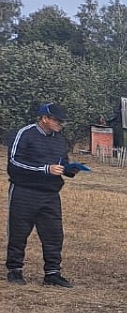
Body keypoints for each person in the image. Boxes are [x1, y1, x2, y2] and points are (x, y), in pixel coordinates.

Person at [7, 102, 79, 287]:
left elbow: (62, 162)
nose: (60, 124)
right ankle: (15, 270)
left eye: (62, 121)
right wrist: (44, 169)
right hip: (24, 191)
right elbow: (15, 162)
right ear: (44, 118)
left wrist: (69, 169)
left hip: (50, 194)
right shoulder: (25, 134)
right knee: (19, 231)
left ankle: (52, 273)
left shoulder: (60, 140)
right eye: (57, 120)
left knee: (54, 234)